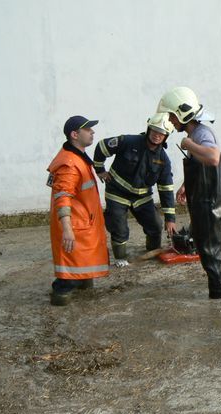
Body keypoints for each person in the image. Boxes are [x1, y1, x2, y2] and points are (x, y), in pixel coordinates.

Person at [157, 87, 221, 299]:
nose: (170, 121)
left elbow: (213, 157)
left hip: (209, 204)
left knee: (210, 252)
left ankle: (219, 296)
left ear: (182, 113)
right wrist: (184, 187)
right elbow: (200, 165)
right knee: (218, 247)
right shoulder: (196, 133)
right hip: (207, 201)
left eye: (172, 116)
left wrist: (188, 144)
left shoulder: (201, 134)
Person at [93, 113, 177, 265]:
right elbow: (102, 146)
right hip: (117, 193)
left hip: (142, 197)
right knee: (119, 228)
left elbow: (166, 189)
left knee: (156, 225)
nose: (157, 135)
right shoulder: (128, 141)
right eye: (155, 131)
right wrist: (99, 169)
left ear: (166, 136)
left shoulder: (163, 160)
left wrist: (170, 219)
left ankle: (152, 252)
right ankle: (120, 258)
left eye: (162, 133)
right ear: (148, 129)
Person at [47, 115, 109, 306]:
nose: (92, 132)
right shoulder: (70, 164)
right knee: (69, 268)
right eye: (87, 129)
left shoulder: (76, 157)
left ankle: (81, 279)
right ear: (75, 134)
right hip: (76, 223)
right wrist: (67, 228)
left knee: (80, 259)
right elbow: (63, 197)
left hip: (82, 221)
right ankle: (61, 292)